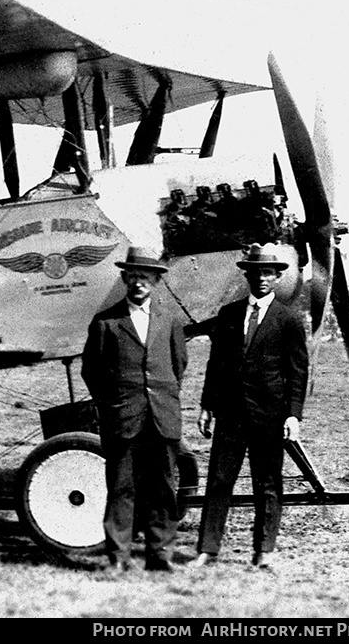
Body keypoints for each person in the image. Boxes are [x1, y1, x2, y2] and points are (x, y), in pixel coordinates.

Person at [189, 243, 310, 569]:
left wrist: (293, 415)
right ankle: (207, 550)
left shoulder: (288, 319)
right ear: (248, 276)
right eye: (256, 273)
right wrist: (206, 406)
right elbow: (217, 365)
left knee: (268, 483)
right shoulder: (228, 315)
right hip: (230, 414)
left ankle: (264, 552)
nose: (261, 279)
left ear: (276, 277)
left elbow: (298, 372)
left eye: (268, 273)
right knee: (218, 481)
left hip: (269, 416)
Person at [81, 245, 187, 571]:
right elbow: (92, 371)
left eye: (146, 277)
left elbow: (178, 365)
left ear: (155, 281)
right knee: (121, 488)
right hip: (123, 418)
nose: (139, 282)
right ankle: (119, 557)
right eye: (134, 276)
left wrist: (160, 398)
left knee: (163, 488)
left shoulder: (169, 320)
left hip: (162, 417)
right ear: (125, 278)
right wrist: (111, 406)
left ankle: (160, 556)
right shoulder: (106, 322)